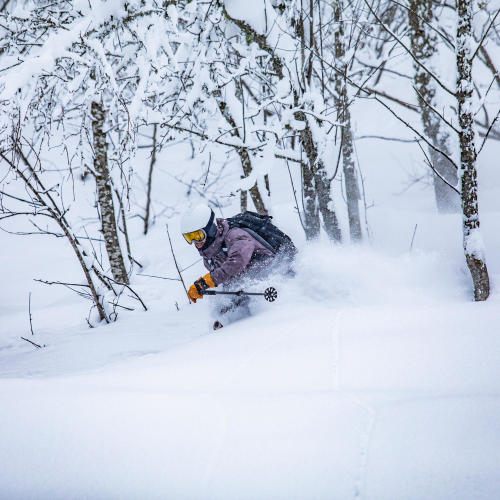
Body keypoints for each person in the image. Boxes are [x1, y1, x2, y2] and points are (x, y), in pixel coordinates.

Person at [180, 204, 292, 328]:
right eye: (189, 237)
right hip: (248, 283)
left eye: (198, 235)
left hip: (273, 274)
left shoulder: (235, 235)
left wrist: (208, 281)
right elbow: (228, 280)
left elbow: (237, 261)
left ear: (210, 229)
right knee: (231, 298)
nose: (195, 242)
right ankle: (227, 323)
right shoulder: (209, 256)